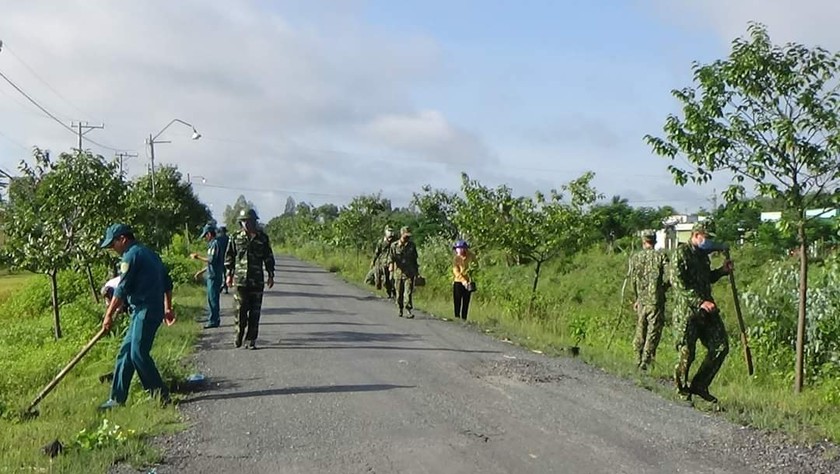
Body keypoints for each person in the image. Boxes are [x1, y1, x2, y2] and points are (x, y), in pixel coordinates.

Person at [98, 224, 174, 410]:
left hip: (146, 311)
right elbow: (167, 282)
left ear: (123, 239)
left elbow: (122, 289)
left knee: (138, 353)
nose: (112, 249)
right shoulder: (150, 253)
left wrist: (108, 315)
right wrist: (168, 307)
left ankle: (160, 396)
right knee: (126, 353)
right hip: (145, 310)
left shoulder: (131, 256)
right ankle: (116, 399)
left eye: (113, 244)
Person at [669, 222, 733, 403]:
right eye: (706, 237)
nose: (709, 241)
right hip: (687, 311)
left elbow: (706, 279)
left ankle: (700, 385)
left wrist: (721, 271)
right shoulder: (681, 254)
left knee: (721, 346)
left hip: (707, 310)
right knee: (687, 352)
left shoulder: (704, 257)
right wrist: (699, 302)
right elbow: (677, 284)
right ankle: (682, 390)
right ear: (696, 235)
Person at [225, 208, 275, 349]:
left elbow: (268, 257)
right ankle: (238, 335)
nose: (247, 224)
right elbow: (229, 256)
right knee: (240, 311)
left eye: (249, 221)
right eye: (244, 221)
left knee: (255, 312)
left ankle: (251, 340)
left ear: (254, 222)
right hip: (240, 280)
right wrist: (229, 274)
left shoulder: (262, 238)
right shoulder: (235, 237)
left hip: (257, 280)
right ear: (240, 223)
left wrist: (271, 275)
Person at [629, 231, 669, 370]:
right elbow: (669, 276)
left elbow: (633, 281)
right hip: (655, 301)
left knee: (640, 330)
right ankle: (646, 362)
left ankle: (637, 358)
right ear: (655, 241)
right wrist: (662, 289)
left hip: (642, 300)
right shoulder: (661, 256)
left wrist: (637, 298)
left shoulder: (635, 258)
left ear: (643, 241)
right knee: (653, 332)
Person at [191, 224, 225, 329]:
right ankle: (212, 317)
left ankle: (214, 320)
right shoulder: (213, 244)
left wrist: (198, 257)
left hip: (214, 276)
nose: (205, 238)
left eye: (205, 235)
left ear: (209, 234)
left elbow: (212, 260)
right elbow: (212, 263)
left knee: (213, 299)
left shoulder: (215, 244)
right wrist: (201, 271)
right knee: (211, 298)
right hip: (212, 274)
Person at [390, 226, 419, 318]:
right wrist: (391, 265)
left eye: (408, 236)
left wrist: (417, 272)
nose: (407, 238)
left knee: (408, 292)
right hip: (398, 273)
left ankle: (408, 310)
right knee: (399, 293)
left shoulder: (412, 246)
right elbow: (391, 258)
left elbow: (415, 259)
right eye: (405, 236)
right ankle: (400, 308)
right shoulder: (394, 246)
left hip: (409, 272)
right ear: (401, 235)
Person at [371, 226, 397, 299]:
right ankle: (389, 292)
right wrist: (373, 261)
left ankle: (394, 292)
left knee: (392, 278)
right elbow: (377, 252)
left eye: (392, 231)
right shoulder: (382, 241)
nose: (391, 233)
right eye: (389, 231)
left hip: (392, 262)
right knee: (385, 280)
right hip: (383, 262)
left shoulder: (395, 241)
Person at [452, 239, 474, 321]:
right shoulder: (456, 258)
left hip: (468, 281)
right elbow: (456, 271)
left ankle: (464, 318)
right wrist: (463, 281)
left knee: (466, 301)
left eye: (461, 248)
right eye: (458, 248)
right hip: (458, 281)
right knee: (457, 300)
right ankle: (457, 317)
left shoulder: (471, 256)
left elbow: (475, 266)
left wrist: (471, 274)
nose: (459, 250)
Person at [217, 226, 230, 294]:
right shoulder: (228, 238)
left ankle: (222, 285)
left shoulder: (218, 239)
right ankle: (225, 287)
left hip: (220, 257)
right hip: (227, 257)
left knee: (220, 272)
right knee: (226, 272)